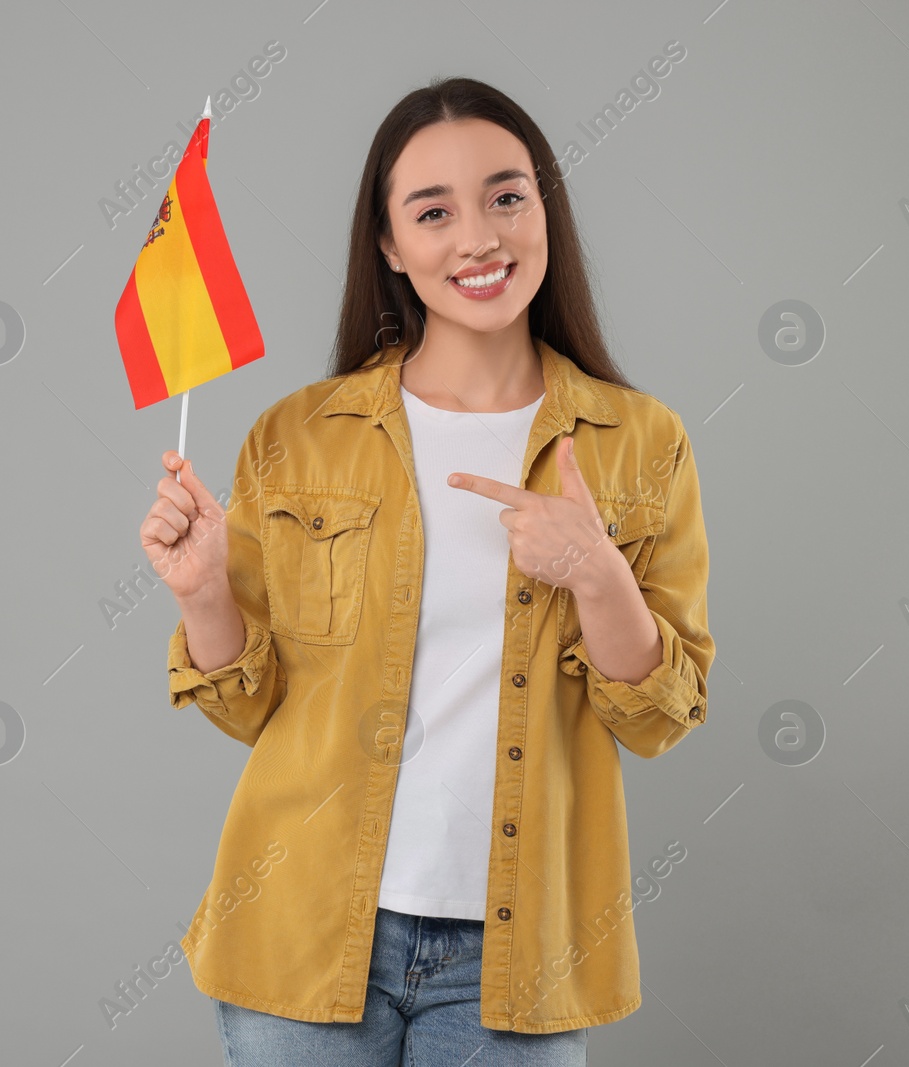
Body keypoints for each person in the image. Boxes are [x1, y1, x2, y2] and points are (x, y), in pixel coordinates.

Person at [139, 75, 714, 1067]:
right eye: (432, 211)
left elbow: (658, 715)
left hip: (518, 953)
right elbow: (248, 702)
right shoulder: (299, 435)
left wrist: (597, 574)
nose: (477, 238)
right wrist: (202, 594)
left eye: (505, 196)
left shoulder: (639, 441)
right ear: (390, 245)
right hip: (302, 929)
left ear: (545, 211)